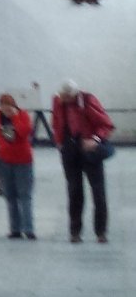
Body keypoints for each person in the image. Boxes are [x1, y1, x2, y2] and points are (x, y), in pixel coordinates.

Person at [52, 83, 114, 243]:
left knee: (98, 192)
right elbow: (56, 123)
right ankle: (75, 232)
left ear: (74, 94)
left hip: (90, 150)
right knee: (74, 192)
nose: (63, 99)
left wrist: (95, 139)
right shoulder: (58, 101)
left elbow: (106, 124)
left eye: (66, 97)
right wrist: (59, 143)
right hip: (69, 150)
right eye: (61, 96)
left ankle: (101, 232)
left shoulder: (88, 100)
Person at [0, 92, 35, 239]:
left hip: (23, 161)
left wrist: (15, 117)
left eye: (8, 107)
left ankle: (29, 229)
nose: (5, 110)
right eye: (3, 107)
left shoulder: (23, 115)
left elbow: (24, 132)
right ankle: (15, 229)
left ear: (14, 106)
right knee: (10, 196)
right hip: (3, 161)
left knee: (25, 195)